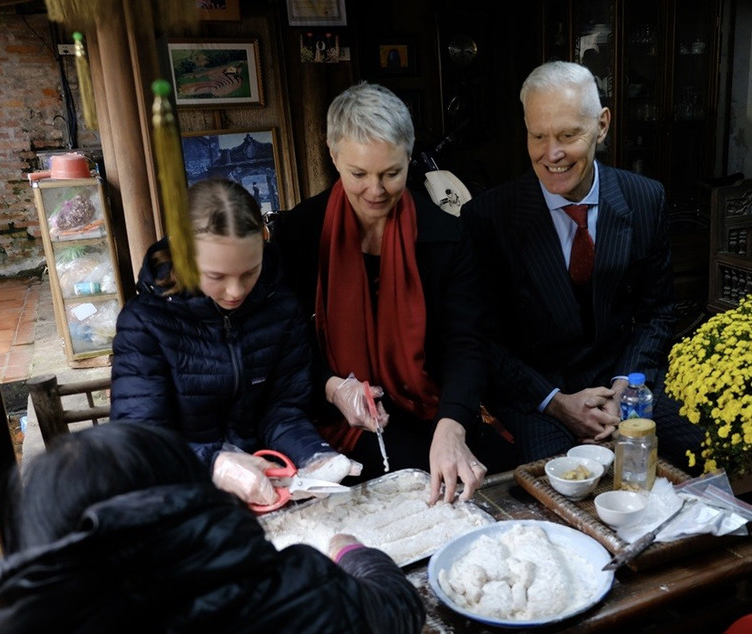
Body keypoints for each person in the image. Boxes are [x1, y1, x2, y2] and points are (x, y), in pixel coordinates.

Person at [460, 60, 702, 468]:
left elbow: (656, 313)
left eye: (569, 135)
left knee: (704, 453)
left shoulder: (645, 198)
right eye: (538, 136)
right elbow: (482, 339)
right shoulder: (488, 217)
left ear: (602, 125)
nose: (552, 153)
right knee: (562, 484)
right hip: (539, 395)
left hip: (623, 383)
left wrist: (625, 387)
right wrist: (557, 403)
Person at [0, 422, 426, 634]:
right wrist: (352, 553)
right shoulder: (292, 591)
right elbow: (398, 608)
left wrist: (305, 446)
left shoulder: (34, 621)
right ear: (190, 499)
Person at [272, 82, 490, 503]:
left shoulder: (444, 236)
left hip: (428, 407)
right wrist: (333, 387)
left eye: (392, 173)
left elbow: (467, 343)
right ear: (334, 157)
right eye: (359, 174)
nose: (376, 190)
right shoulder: (299, 235)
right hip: (333, 416)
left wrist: (453, 424)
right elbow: (284, 344)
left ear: (409, 158)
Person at [110, 178, 360, 508]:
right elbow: (138, 442)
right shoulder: (145, 323)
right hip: (182, 495)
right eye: (217, 276)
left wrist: (311, 454)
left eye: (249, 271)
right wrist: (213, 464)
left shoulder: (279, 306)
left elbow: (283, 409)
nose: (236, 291)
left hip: (266, 485)